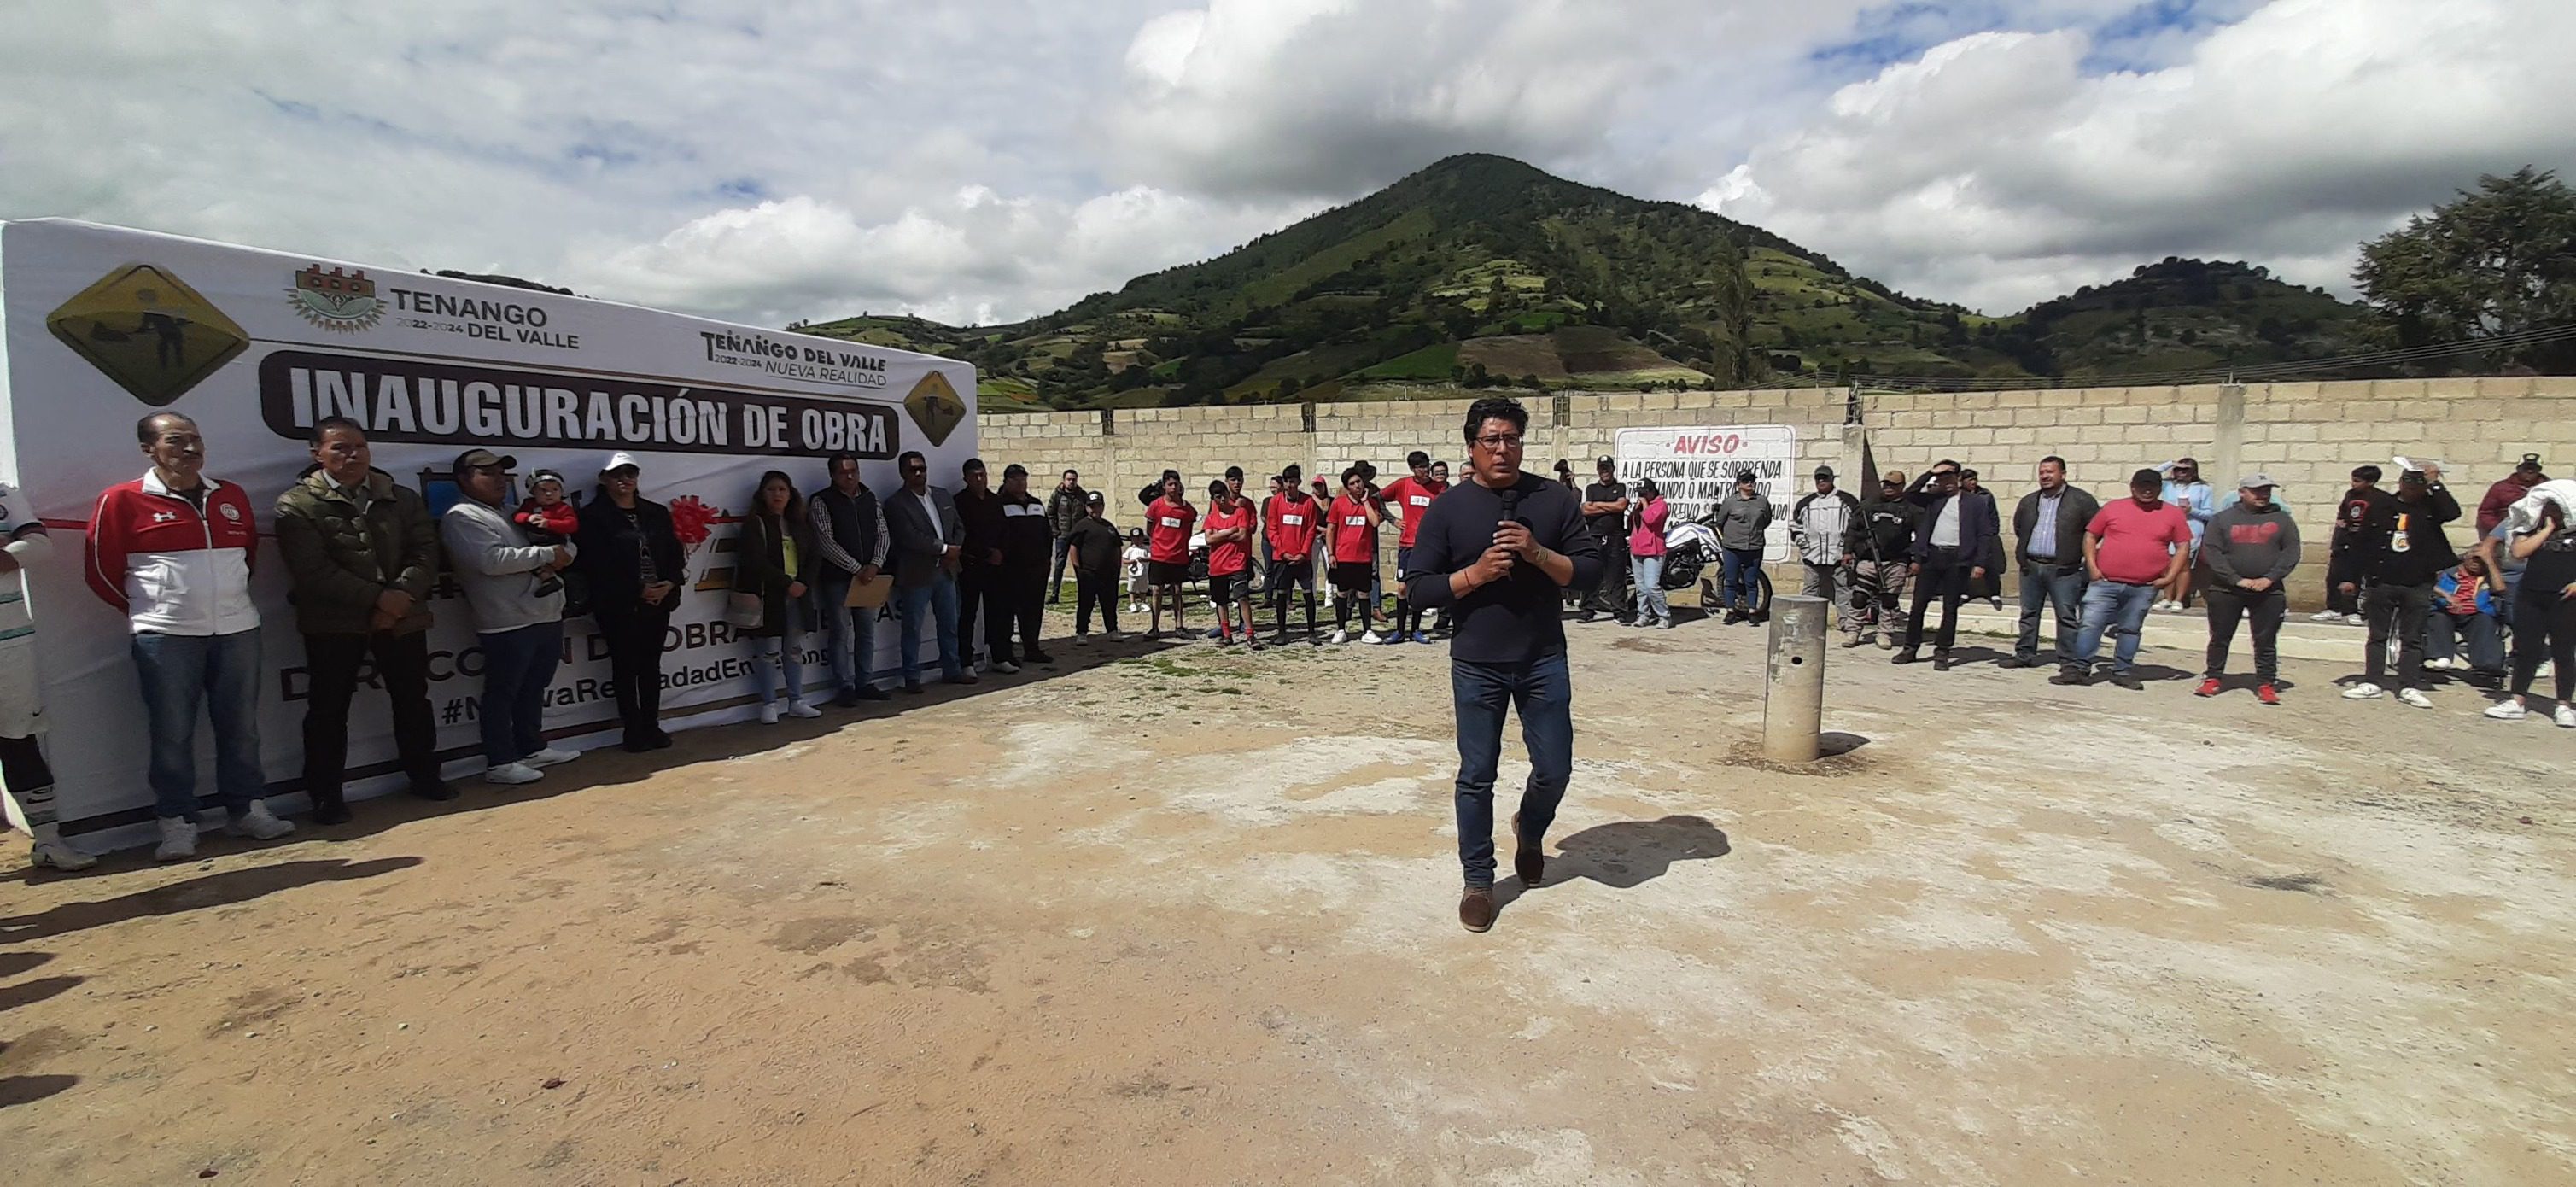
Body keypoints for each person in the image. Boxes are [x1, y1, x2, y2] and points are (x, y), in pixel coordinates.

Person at [1401, 395, 1604, 933]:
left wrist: (1538, 553)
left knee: (1555, 767)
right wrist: (1475, 575)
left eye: (1511, 438)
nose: (1502, 448)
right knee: (1476, 775)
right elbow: (1418, 588)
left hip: (1542, 658)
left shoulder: (1554, 499)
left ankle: (1530, 828)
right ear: (1472, 446)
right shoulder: (1448, 508)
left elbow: (1588, 573)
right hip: (1476, 662)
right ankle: (1478, 880)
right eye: (1491, 439)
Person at [84, 412, 295, 859]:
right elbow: (100, 572)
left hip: (237, 629)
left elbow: (246, 561)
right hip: (165, 637)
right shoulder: (121, 500)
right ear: (149, 449)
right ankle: (177, 821)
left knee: (241, 729)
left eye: (196, 440)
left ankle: (246, 810)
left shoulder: (230, 495)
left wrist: (223, 602)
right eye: (176, 441)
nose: (190, 449)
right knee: (172, 733)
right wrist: (153, 610)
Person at [273, 417, 452, 822]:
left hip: (403, 617)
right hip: (333, 624)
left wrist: (399, 599)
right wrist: (379, 599)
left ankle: (425, 776)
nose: (352, 455)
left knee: (412, 700)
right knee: (328, 710)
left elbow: (426, 552)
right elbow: (313, 570)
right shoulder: (296, 504)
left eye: (359, 446)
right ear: (316, 453)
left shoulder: (401, 497)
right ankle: (325, 795)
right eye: (340, 448)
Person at [441, 448, 581, 785]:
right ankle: (500, 761)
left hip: (544, 613)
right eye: (487, 472)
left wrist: (564, 552)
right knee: (503, 692)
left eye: (502, 472)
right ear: (464, 479)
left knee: (535, 686)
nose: (499, 479)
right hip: (505, 620)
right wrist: (548, 554)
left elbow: (567, 543)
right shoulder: (462, 516)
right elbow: (490, 561)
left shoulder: (514, 511)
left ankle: (531, 746)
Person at [1, 477, 94, 869]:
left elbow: (38, 546)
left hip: (8, 641)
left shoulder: (3, 493)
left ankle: (49, 842)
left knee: (18, 739)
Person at [573, 451, 686, 751]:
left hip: (659, 602)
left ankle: (652, 725)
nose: (624, 479)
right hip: (618, 604)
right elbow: (595, 564)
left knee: (651, 666)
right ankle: (632, 730)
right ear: (604, 479)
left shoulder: (656, 512)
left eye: (630, 473)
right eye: (617, 474)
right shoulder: (592, 517)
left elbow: (675, 553)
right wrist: (637, 589)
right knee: (625, 666)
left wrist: (670, 583)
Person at [2052, 469, 2191, 689]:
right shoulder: (2113, 508)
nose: (2147, 490)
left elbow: (2183, 545)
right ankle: (2079, 669)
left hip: (2145, 585)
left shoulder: (2172, 513)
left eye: (2152, 486)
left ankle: (2122, 671)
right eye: (2141, 486)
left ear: (2159, 488)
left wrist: (2171, 576)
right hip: (2105, 582)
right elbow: (2090, 535)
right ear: (2132, 487)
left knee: (2130, 628)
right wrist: (2092, 566)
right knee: (2090, 624)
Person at [2343, 464, 2459, 708]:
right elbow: (2361, 541)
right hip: (2382, 579)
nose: (2411, 488)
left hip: (2417, 582)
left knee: (2412, 638)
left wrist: (2435, 483)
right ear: (2400, 482)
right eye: (2407, 482)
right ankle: (2372, 681)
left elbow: (2452, 512)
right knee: (2377, 635)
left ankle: (2409, 685)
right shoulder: (2383, 505)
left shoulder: (2430, 507)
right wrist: (2350, 577)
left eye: (2417, 484)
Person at [2196, 475, 2301, 703]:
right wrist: (2235, 579)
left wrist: (2270, 578)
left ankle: (2265, 683)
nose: (2263, 495)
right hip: (2226, 589)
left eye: (2266, 490)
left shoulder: (2283, 520)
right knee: (2220, 636)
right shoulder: (2222, 519)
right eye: (2257, 490)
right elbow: (2213, 552)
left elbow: (2291, 552)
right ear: (2242, 492)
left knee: (2265, 639)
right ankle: (2213, 678)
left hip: (2268, 590)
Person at [884, 449, 973, 692]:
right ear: (903, 472)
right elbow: (909, 537)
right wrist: (944, 549)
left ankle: (952, 670)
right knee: (912, 626)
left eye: (922, 468)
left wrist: (953, 550)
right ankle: (911, 676)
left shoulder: (942, 495)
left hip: (947, 571)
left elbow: (958, 526)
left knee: (949, 623)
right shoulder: (896, 503)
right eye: (913, 469)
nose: (919, 473)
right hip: (917, 573)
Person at [1896, 460, 2000, 670]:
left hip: (1958, 559)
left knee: (1950, 607)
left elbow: (1985, 534)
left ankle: (1942, 651)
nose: (1947, 483)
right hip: (1932, 556)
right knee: (1918, 606)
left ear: (1958, 479)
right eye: (1942, 479)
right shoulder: (1934, 499)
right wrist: (1930, 472)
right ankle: (1910, 647)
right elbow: (1910, 494)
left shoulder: (1975, 503)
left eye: (1950, 478)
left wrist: (1980, 562)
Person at [737, 471, 823, 722]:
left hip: (799, 595)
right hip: (769, 597)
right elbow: (755, 561)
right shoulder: (756, 524)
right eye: (771, 490)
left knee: (794, 650)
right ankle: (769, 704)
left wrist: (804, 583)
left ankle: (796, 700)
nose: (777, 495)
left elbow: (815, 557)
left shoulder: (800, 523)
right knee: (768, 652)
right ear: (762, 495)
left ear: (791, 494)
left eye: (782, 490)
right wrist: (786, 583)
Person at [807, 453, 891, 705]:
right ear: (833, 475)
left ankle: (865, 682)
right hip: (838, 579)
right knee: (840, 633)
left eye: (854, 470)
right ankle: (844, 686)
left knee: (866, 631)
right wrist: (857, 568)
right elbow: (824, 542)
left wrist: (875, 564)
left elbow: (883, 532)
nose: (851, 476)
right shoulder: (821, 501)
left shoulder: (869, 497)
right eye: (844, 472)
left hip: (869, 577)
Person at [2484, 499, 2576, 726]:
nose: (2553, 511)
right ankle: (2517, 700)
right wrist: (2547, 529)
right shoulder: (2528, 528)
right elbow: (2519, 552)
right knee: (2526, 650)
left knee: (2563, 652)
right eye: (2549, 507)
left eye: (2557, 508)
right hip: (2532, 595)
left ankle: (2564, 704)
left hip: (2565, 597)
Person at [2004, 456, 2100, 670]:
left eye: (2050, 472)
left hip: (2064, 569)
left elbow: (2094, 530)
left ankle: (2068, 660)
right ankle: (2024, 654)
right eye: (2042, 472)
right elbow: (2020, 527)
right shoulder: (2029, 501)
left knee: (2066, 615)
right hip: (2031, 566)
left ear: (2063, 474)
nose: (2045, 476)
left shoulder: (2082, 500)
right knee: (2029, 612)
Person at [1378, 450, 1448, 644]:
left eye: (1427, 466)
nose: (1425, 471)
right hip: (1407, 544)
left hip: (1427, 546)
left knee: (1419, 588)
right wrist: (1392, 520)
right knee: (1402, 589)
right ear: (1412, 469)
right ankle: (1400, 631)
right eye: (1421, 468)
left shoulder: (1439, 488)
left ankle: (1415, 630)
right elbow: (1378, 498)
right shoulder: (1403, 485)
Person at [992, 463, 1054, 670]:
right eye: (1015, 479)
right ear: (1006, 481)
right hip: (1010, 570)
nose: (1020, 483)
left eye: (1023, 478)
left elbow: (1047, 534)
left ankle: (1032, 648)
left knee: (1033, 611)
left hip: (1036, 569)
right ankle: (1007, 653)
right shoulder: (999, 504)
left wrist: (1046, 560)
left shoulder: (1036, 504)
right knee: (1007, 613)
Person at [1846, 471, 1916, 649]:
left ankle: (1885, 633)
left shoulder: (1910, 509)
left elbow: (1921, 537)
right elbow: (1853, 530)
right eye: (1886, 484)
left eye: (1893, 485)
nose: (1888, 488)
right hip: (1869, 559)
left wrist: (1917, 560)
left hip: (1896, 561)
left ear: (1901, 487)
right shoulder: (1868, 506)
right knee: (1860, 596)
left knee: (1889, 599)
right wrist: (1848, 551)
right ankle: (1853, 631)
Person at [2313, 465, 2381, 624]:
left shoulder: (2380, 498)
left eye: (2358, 481)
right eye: (2353, 480)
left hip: (2364, 544)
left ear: (2370, 482)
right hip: (2344, 542)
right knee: (2334, 576)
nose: (2353, 484)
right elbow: (2343, 516)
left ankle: (2358, 611)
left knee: (2359, 579)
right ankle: (2334, 608)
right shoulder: (2350, 495)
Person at [1789, 465, 1857, 618]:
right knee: (1810, 590)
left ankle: (1846, 622)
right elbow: (1795, 526)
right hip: (1812, 556)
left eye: (1825, 478)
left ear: (1832, 479)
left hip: (1839, 556)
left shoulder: (1847, 501)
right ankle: (1807, 621)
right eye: (1818, 478)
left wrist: (1849, 549)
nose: (1821, 481)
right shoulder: (1806, 503)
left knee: (1843, 590)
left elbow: (1858, 526)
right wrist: (1804, 545)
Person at [954, 458, 1002, 672]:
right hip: (971, 565)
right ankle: (966, 661)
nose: (980, 479)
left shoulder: (994, 500)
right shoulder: (960, 502)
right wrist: (984, 553)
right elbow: (961, 534)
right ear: (966, 478)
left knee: (996, 612)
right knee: (968, 614)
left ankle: (1000, 656)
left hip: (994, 566)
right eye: (975, 476)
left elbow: (1004, 529)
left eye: (983, 474)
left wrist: (1001, 552)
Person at [1264, 470, 1323, 645]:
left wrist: (1303, 553)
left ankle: (1312, 631)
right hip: (1282, 558)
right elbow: (1272, 529)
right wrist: (1282, 552)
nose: (1291, 485)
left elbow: (1311, 528)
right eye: (1288, 482)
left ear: (1299, 482)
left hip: (1302, 558)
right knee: (1282, 595)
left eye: (1294, 482)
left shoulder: (1308, 502)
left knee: (1307, 594)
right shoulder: (1275, 502)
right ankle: (1282, 632)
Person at [2424, 553, 2506, 678]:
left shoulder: (2489, 577)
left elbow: (2501, 589)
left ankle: (2487, 664)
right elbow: (2425, 583)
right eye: (2474, 559)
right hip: (2445, 609)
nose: (2476, 563)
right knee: (2438, 619)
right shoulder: (2446, 572)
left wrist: (2490, 563)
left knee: (2485, 621)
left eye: (2481, 561)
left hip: (2476, 613)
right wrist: (2446, 596)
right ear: (2465, 558)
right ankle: (2439, 657)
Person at [1328, 467, 1385, 644]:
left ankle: (1367, 630)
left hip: (1363, 557)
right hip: (1343, 556)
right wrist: (1331, 553)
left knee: (1364, 594)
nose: (1357, 485)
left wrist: (1366, 502)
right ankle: (1341, 629)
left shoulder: (1371, 503)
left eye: (1358, 481)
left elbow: (1375, 522)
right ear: (1347, 487)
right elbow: (1331, 529)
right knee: (1342, 593)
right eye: (1352, 483)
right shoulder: (1338, 503)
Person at [2155, 458, 2217, 611]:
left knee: (2183, 565)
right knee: (2167, 564)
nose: (2181, 473)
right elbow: (2149, 474)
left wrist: (2192, 511)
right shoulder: (2167, 485)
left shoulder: (2204, 489)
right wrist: (2169, 463)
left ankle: (2179, 599)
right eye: (2178, 469)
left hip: (2191, 528)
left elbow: (2210, 514)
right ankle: (2167, 598)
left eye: (2186, 470)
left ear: (2194, 472)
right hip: (2168, 528)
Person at [1201, 479, 1258, 645]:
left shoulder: (1240, 512)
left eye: (1224, 495)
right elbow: (1209, 539)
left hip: (1236, 563)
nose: (1223, 500)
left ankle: (1250, 634)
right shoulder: (1211, 518)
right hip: (1217, 565)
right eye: (1218, 497)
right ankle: (1227, 634)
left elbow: (1243, 535)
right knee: (1221, 601)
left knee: (1242, 598)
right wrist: (1231, 530)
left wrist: (1221, 534)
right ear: (1213, 499)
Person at [1712, 470, 1773, 623]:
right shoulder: (1730, 502)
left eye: (1752, 480)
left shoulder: (1762, 501)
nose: (1750, 484)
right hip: (1732, 547)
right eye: (1746, 481)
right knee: (1731, 580)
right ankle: (1730, 611)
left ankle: (1752, 612)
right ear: (1739, 484)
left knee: (1751, 581)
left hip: (1754, 546)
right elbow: (1720, 521)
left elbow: (1766, 520)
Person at [1576, 456, 1631, 623]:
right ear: (1598, 470)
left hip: (1616, 538)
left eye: (1607, 468)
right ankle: (1587, 610)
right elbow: (1585, 510)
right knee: (1591, 573)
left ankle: (1620, 612)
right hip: (1595, 537)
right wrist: (1610, 507)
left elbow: (1621, 506)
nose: (1604, 471)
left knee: (1616, 576)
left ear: (1613, 469)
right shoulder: (1591, 488)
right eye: (1601, 468)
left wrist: (1597, 506)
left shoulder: (1621, 487)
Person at [1142, 473, 1197, 640]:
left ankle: (1179, 626)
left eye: (1176, 484)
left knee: (1177, 591)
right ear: (1164, 486)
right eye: (1170, 484)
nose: (1173, 488)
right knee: (1157, 591)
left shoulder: (1187, 509)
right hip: (1159, 555)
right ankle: (1154, 627)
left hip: (1178, 556)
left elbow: (1189, 527)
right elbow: (1150, 529)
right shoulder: (1156, 506)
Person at [511, 470, 580, 600]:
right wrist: (528, 518)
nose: (549, 494)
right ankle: (549, 580)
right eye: (543, 490)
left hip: (557, 542)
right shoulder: (529, 505)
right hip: (535, 544)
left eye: (554, 490)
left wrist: (550, 524)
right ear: (533, 492)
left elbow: (572, 525)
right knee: (534, 563)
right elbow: (517, 516)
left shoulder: (563, 508)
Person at [1065, 493, 1125, 640]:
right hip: (1089, 572)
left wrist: (1117, 567)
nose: (1095, 509)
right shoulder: (1082, 526)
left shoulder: (1108, 526)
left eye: (1098, 506)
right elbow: (1074, 548)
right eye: (1092, 506)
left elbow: (1117, 547)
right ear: (1086, 508)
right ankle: (1082, 632)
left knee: (1109, 603)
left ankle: (1112, 630)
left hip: (1108, 573)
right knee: (1086, 603)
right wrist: (1078, 569)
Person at [1627, 477, 1674, 629]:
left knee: (1652, 585)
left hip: (1653, 550)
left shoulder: (1661, 505)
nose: (1641, 496)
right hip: (1637, 548)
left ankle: (1664, 616)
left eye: (1644, 493)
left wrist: (1645, 506)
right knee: (1640, 587)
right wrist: (1636, 508)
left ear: (1652, 492)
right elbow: (1631, 522)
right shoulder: (1640, 506)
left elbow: (1652, 520)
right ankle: (1643, 615)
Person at [1959, 470, 2006, 609]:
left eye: (1975, 479)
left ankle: (1994, 594)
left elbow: (1993, 516)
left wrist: (1991, 534)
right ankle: (1964, 592)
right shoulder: (1958, 496)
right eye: (1969, 480)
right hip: (1966, 537)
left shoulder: (1985, 495)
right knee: (1965, 565)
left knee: (1990, 566)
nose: (1973, 483)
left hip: (1984, 536)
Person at [1046, 468, 1089, 605]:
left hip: (1078, 536)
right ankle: (1055, 594)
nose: (1071, 482)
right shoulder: (1057, 495)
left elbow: (1087, 514)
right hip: (1062, 535)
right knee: (1059, 565)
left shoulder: (1082, 496)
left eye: (1074, 479)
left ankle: (1085, 594)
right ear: (1064, 480)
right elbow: (1050, 513)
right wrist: (1055, 531)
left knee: (1081, 566)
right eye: (1069, 479)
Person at [2477, 453, 2547, 535]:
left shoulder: (2549, 488)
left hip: (2539, 535)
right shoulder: (2501, 488)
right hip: (2506, 534)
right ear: (2518, 469)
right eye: (2526, 468)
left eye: (2534, 469)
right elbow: (2486, 512)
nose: (2530, 471)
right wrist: (2500, 530)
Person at [1122, 528, 1151, 616]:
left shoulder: (1146, 549)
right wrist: (1131, 562)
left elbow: (1150, 558)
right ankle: (1133, 603)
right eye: (1134, 538)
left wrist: (1144, 559)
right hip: (1133, 573)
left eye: (1139, 538)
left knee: (1143, 588)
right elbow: (1124, 560)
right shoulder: (1130, 549)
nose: (1137, 540)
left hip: (1143, 573)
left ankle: (1143, 602)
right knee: (1132, 589)